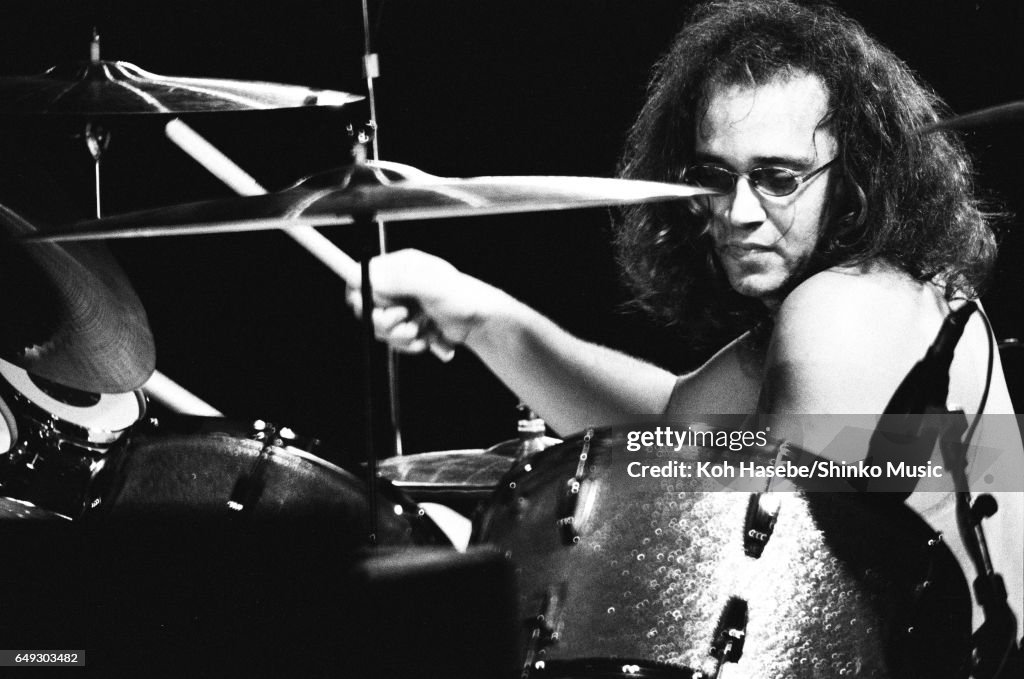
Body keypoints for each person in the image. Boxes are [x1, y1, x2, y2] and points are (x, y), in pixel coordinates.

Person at [348, 0, 1022, 655]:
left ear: (856, 175)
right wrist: (481, 315)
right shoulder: (887, 293)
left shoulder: (839, 315)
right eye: (714, 176)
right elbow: (673, 423)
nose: (738, 212)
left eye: (777, 178)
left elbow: (759, 573)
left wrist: (478, 563)